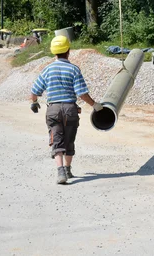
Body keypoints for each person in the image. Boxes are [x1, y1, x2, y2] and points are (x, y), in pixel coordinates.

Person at [30, 35, 101, 184]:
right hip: (70, 109)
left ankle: (60, 171)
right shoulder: (74, 69)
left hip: (53, 109)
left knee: (57, 140)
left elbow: (35, 90)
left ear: (53, 52)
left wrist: (34, 102)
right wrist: (94, 105)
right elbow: (82, 93)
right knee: (69, 140)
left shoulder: (47, 70)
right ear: (68, 51)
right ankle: (68, 169)